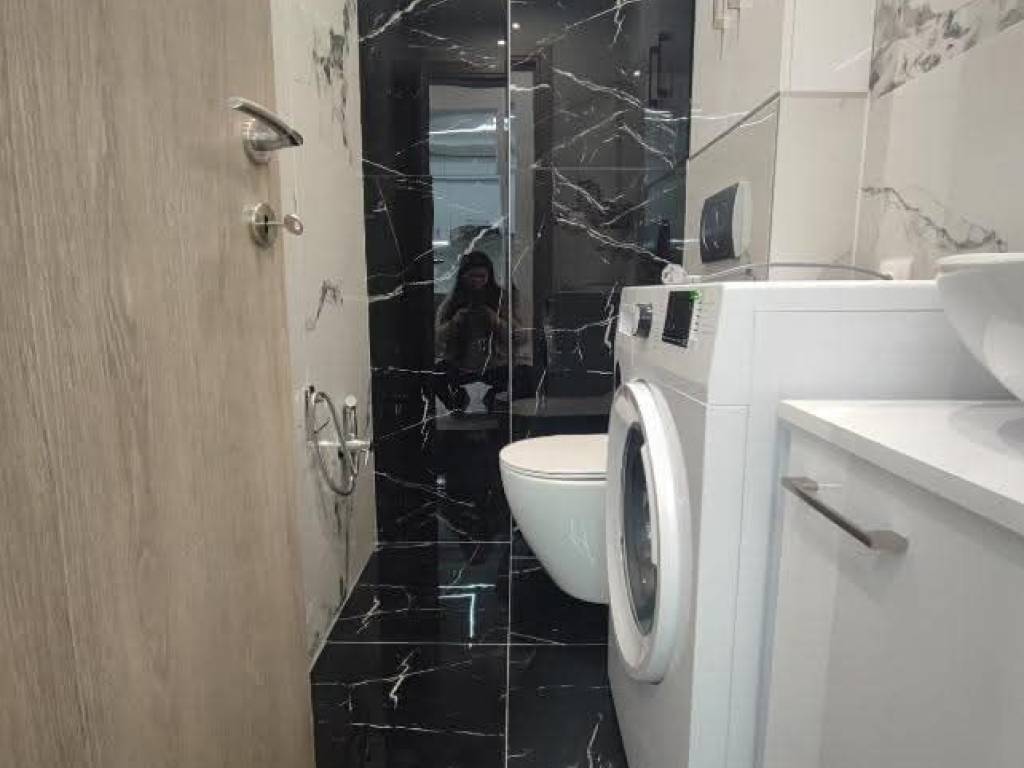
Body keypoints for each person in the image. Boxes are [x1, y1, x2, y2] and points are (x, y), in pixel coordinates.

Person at [434, 251, 510, 413]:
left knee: (525, 375)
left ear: (489, 277)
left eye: (482, 277)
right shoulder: (453, 301)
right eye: (473, 276)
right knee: (434, 375)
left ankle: (493, 398)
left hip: (494, 364)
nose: (477, 281)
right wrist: (455, 322)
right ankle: (457, 402)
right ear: (463, 277)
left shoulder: (501, 298)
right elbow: (437, 339)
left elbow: (518, 336)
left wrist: (493, 319)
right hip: (460, 363)